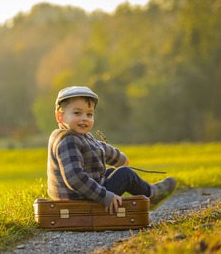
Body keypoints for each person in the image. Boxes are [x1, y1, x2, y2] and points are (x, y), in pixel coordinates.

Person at [47, 86, 177, 214]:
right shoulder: (69, 140)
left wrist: (118, 158)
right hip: (80, 197)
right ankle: (151, 194)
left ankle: (147, 191)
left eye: (89, 114)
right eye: (77, 113)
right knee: (125, 174)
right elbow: (75, 178)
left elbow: (96, 147)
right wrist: (105, 196)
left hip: (78, 193)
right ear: (60, 117)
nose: (84, 118)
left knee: (109, 172)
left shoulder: (73, 135)